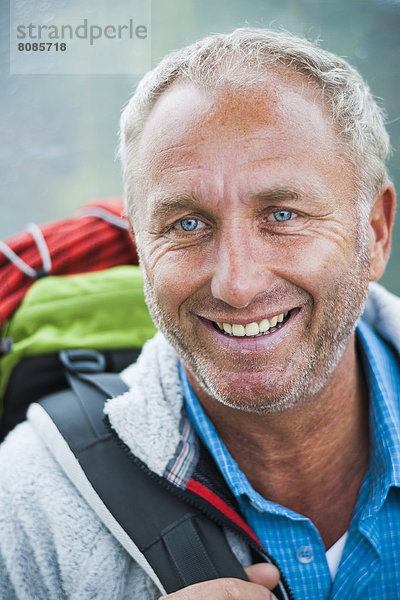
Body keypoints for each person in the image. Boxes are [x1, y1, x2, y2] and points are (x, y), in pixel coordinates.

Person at [0, 28, 398, 600]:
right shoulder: (31, 504)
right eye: (187, 224)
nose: (236, 284)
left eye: (282, 214)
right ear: (141, 248)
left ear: (375, 232)